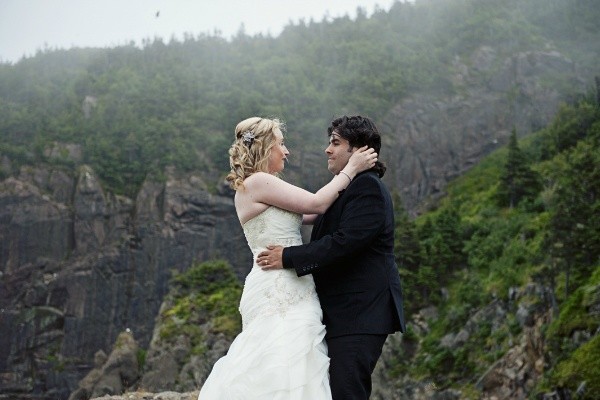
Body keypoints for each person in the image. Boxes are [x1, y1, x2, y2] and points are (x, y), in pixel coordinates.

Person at [198, 116, 377, 400]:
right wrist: (351, 169)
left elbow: (315, 213)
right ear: (266, 148)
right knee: (282, 361)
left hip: (289, 282)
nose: (286, 151)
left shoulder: (258, 187)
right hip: (280, 286)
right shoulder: (258, 182)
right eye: (281, 144)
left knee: (292, 361)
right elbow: (317, 203)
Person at [257, 115, 406, 400]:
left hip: (361, 312)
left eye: (336, 143)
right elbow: (312, 211)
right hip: (343, 313)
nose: (328, 149)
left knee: (346, 392)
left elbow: (345, 243)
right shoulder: (345, 189)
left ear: (359, 150)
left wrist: (288, 257)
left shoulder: (368, 188)